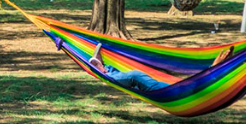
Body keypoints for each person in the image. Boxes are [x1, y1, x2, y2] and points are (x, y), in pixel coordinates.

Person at [86, 43, 233, 92]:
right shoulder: (204, 86)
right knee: (134, 76)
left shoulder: (203, 88)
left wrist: (214, 67)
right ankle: (104, 68)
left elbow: (199, 84)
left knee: (134, 76)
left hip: (172, 92)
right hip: (172, 89)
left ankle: (104, 69)